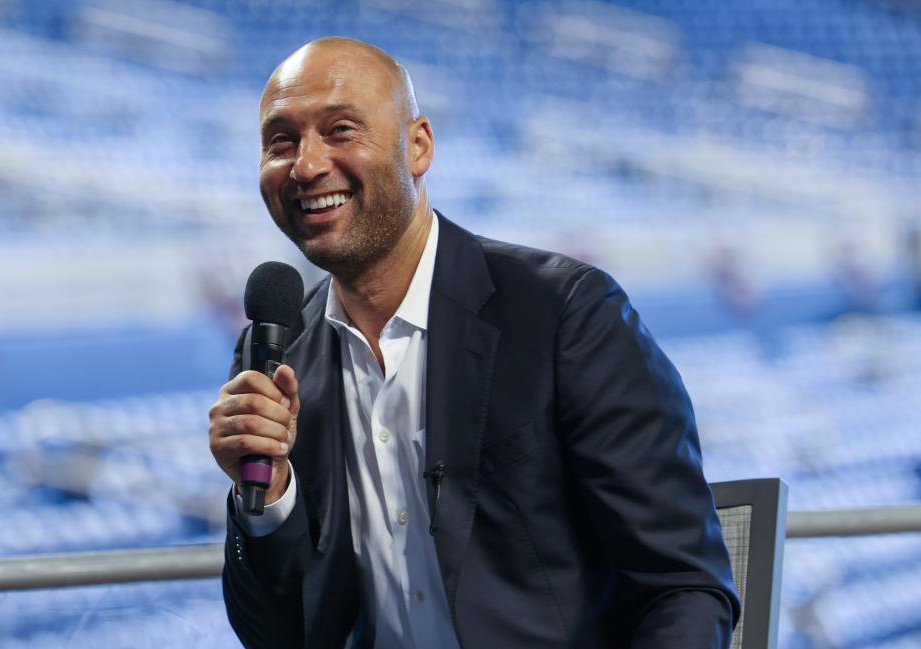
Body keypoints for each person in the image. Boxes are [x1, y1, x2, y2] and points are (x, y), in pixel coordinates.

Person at [208, 37, 740, 649]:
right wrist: (266, 500)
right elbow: (279, 637)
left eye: (340, 129)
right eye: (281, 141)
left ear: (418, 145)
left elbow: (685, 589)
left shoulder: (565, 312)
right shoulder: (281, 359)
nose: (305, 165)